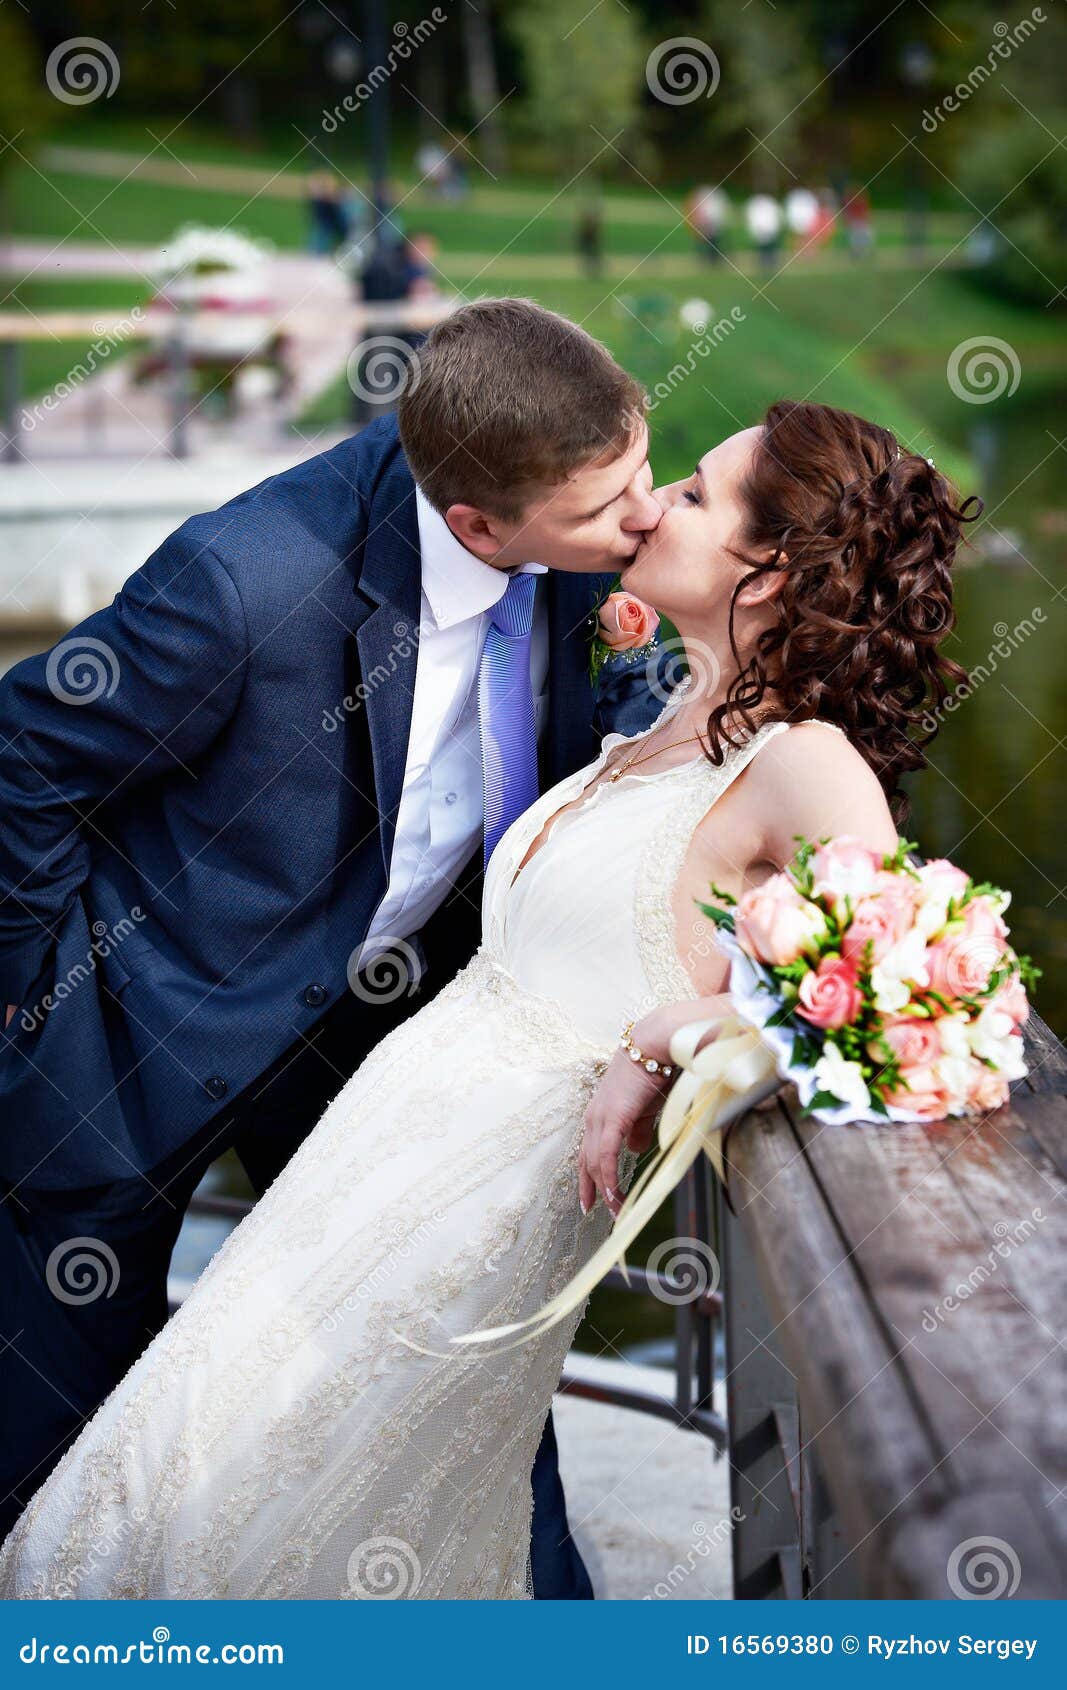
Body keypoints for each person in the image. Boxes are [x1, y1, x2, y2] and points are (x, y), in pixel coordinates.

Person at [0, 399, 977, 1598]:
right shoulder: (665, 706)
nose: (648, 504)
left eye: (693, 494)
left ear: (767, 569)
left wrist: (703, 1028)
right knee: (174, 1497)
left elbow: (910, 1004)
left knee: (201, 1507)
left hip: (465, 1225)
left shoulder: (803, 761)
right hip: (355, 1174)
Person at [0, 299, 666, 1598]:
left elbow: (608, 723)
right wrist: (37, 1007)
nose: (640, 518)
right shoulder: (245, 579)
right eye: (606, 508)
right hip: (137, 1032)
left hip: (369, 1032)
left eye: (641, 477)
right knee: (52, 1431)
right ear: (476, 526)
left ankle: (552, 1634)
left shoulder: (573, 515)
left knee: (444, 1346)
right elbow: (22, 760)